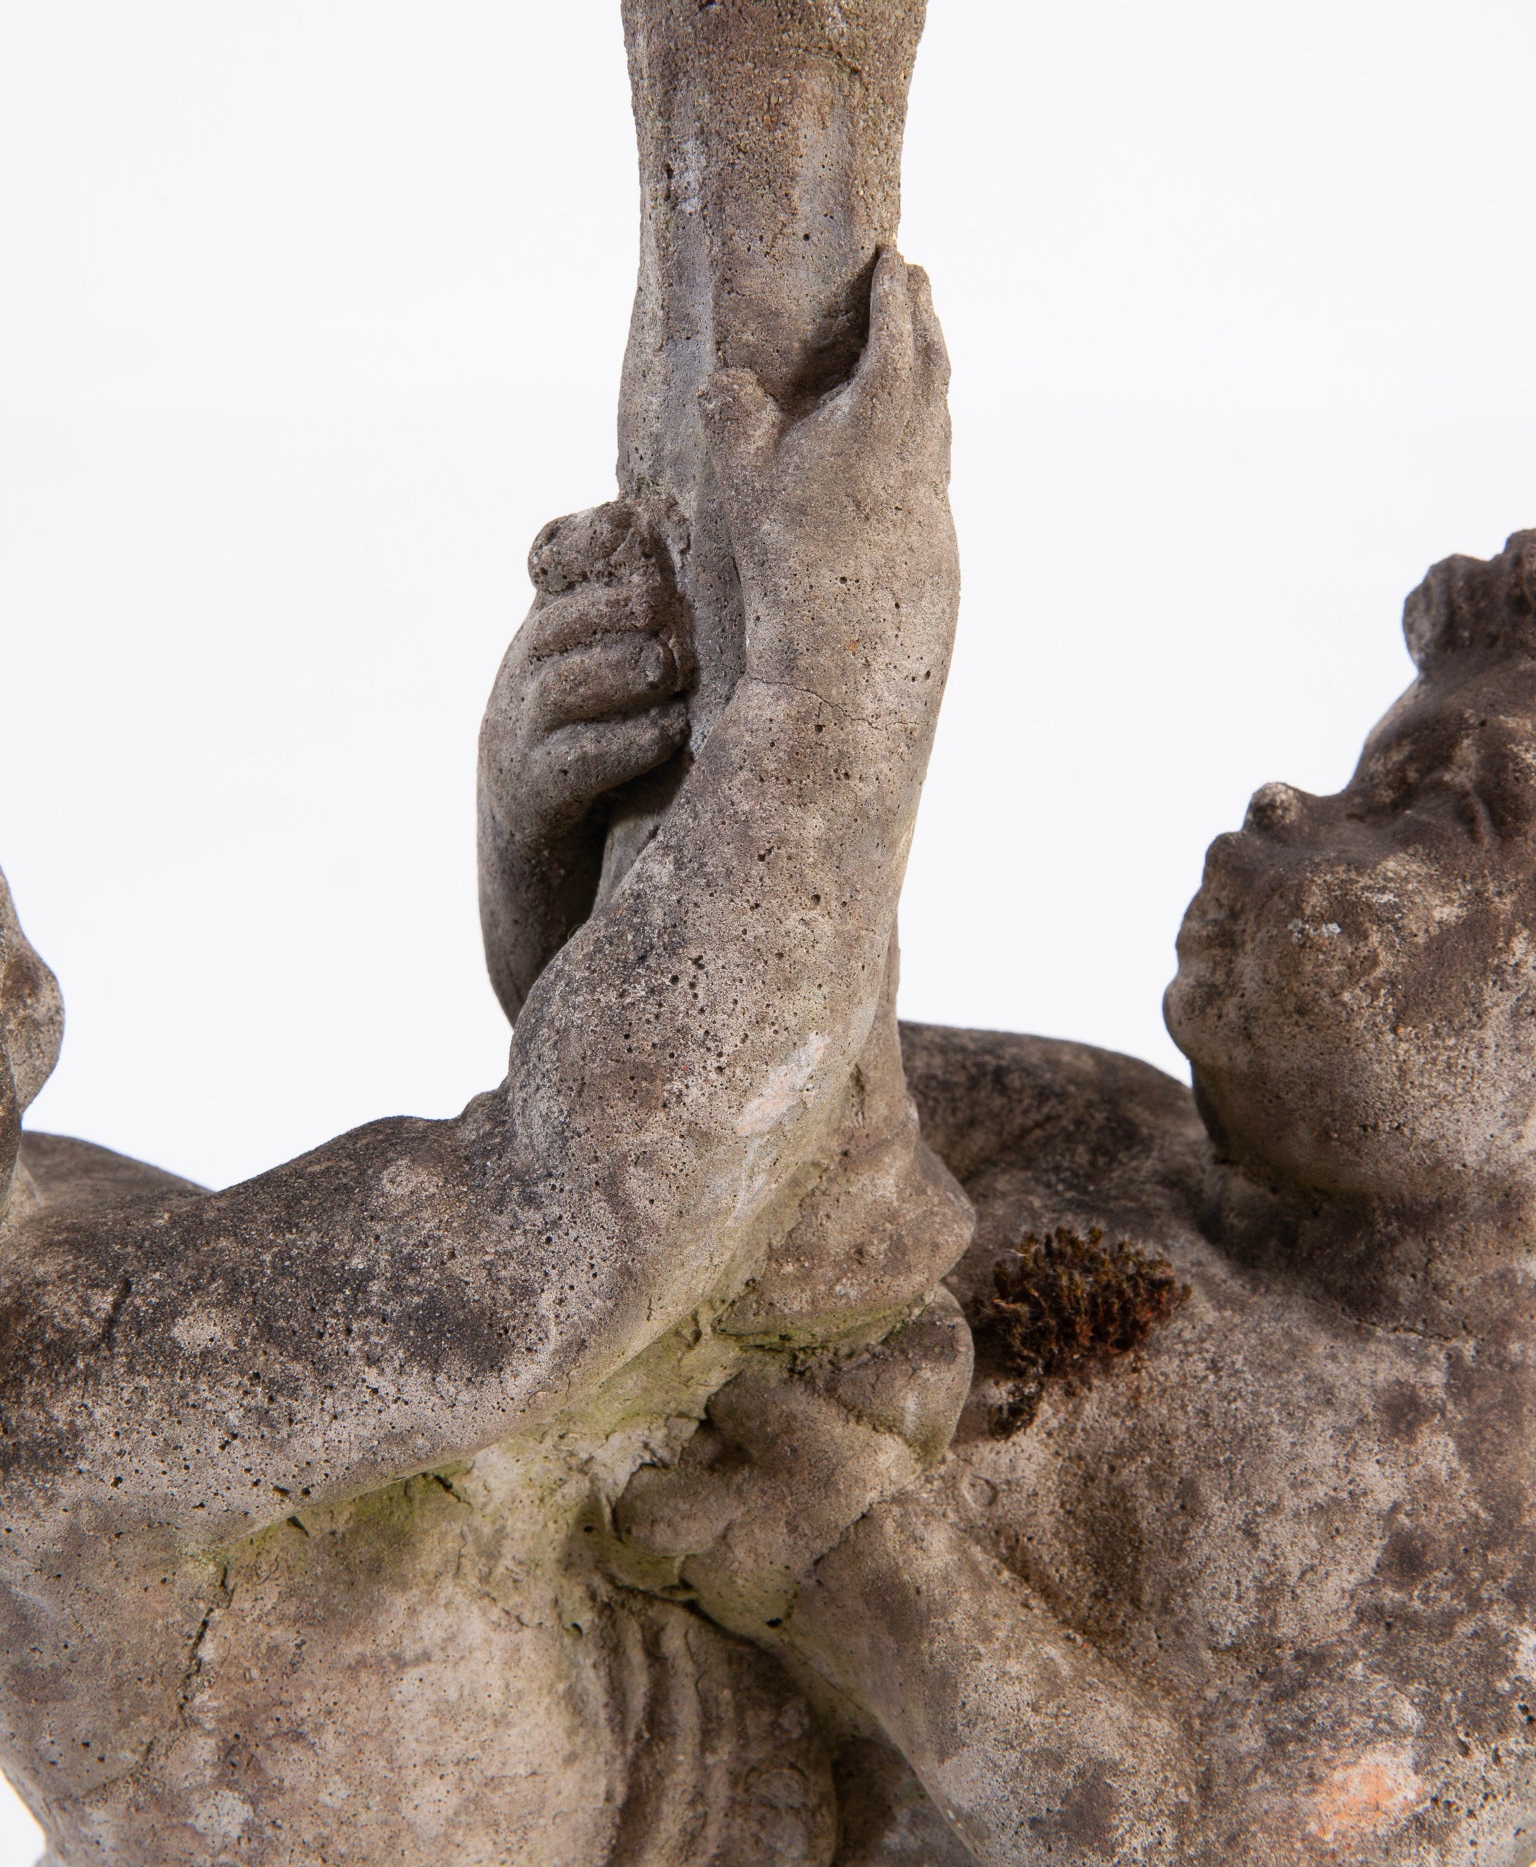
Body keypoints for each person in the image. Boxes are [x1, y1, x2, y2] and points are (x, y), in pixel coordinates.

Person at [0, 254, 973, 1867]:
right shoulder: (64, 1386)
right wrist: (837, 681)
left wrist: (539, 857)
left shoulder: (47, 1239)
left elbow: (532, 1219)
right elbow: (562, 1226)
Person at [612, 533, 1536, 1864]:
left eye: (1417, 815)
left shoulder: (1482, 1559)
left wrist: (867, 1559)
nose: (1286, 803)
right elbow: (688, 1081)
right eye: (1358, 778)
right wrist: (559, 831)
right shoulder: (1093, 1120)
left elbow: (1195, 1844)